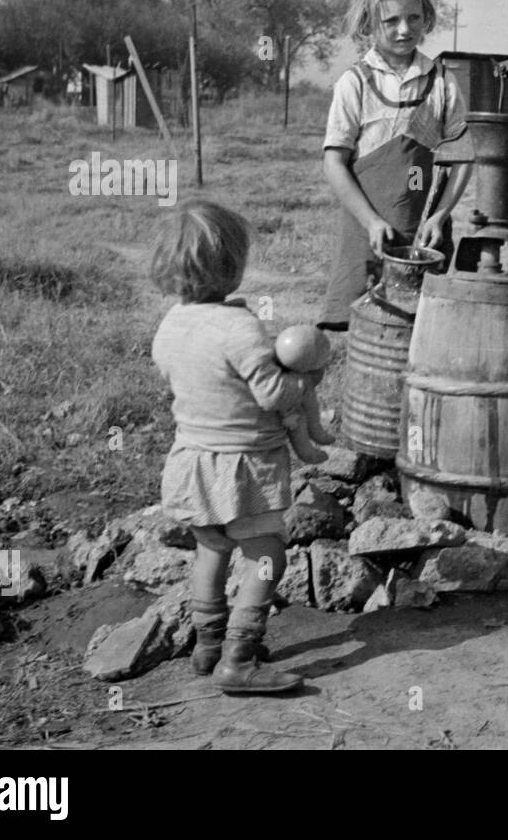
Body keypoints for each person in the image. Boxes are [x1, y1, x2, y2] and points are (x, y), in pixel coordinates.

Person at [150, 200, 313, 694]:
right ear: (235, 266)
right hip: (244, 466)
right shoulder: (241, 329)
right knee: (268, 557)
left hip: (193, 461)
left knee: (211, 552)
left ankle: (208, 645)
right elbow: (272, 393)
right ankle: (239, 658)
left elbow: (172, 374)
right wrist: (302, 383)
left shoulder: (172, 323)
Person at [319, 0, 471, 332]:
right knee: (365, 325)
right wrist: (370, 221)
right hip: (367, 228)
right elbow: (334, 162)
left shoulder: (441, 81)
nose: (405, 30)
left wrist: (440, 215)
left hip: (423, 230)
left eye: (414, 19)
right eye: (391, 21)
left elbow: (464, 154)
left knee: (421, 328)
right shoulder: (354, 83)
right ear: (369, 22)